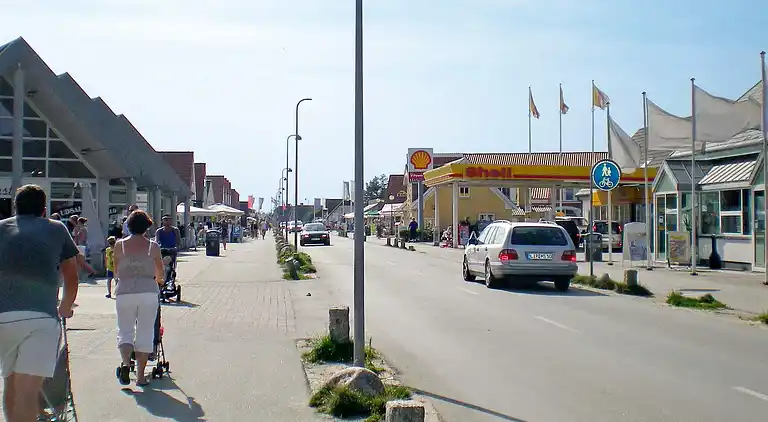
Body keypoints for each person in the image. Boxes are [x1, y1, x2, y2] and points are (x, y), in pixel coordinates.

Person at [0, 185, 80, 422]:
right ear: (44, 210)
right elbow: (71, 276)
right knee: (27, 391)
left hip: (3, 317)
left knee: (10, 383)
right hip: (41, 318)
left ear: (15, 206)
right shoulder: (56, 229)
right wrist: (65, 306)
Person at [113, 210, 164, 387]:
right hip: (148, 291)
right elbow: (160, 270)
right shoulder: (153, 246)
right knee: (145, 332)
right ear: (147, 226)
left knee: (125, 330)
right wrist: (159, 280)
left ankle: (127, 364)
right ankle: (141, 376)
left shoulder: (120, 245)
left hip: (125, 290)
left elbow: (116, 269)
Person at [155, 215, 180, 285]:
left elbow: (178, 242)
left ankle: (168, 278)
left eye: (168, 219)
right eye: (165, 220)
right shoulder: (159, 231)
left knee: (169, 262)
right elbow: (156, 241)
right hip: (162, 251)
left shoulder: (175, 230)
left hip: (171, 251)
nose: (166, 221)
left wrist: (176, 248)